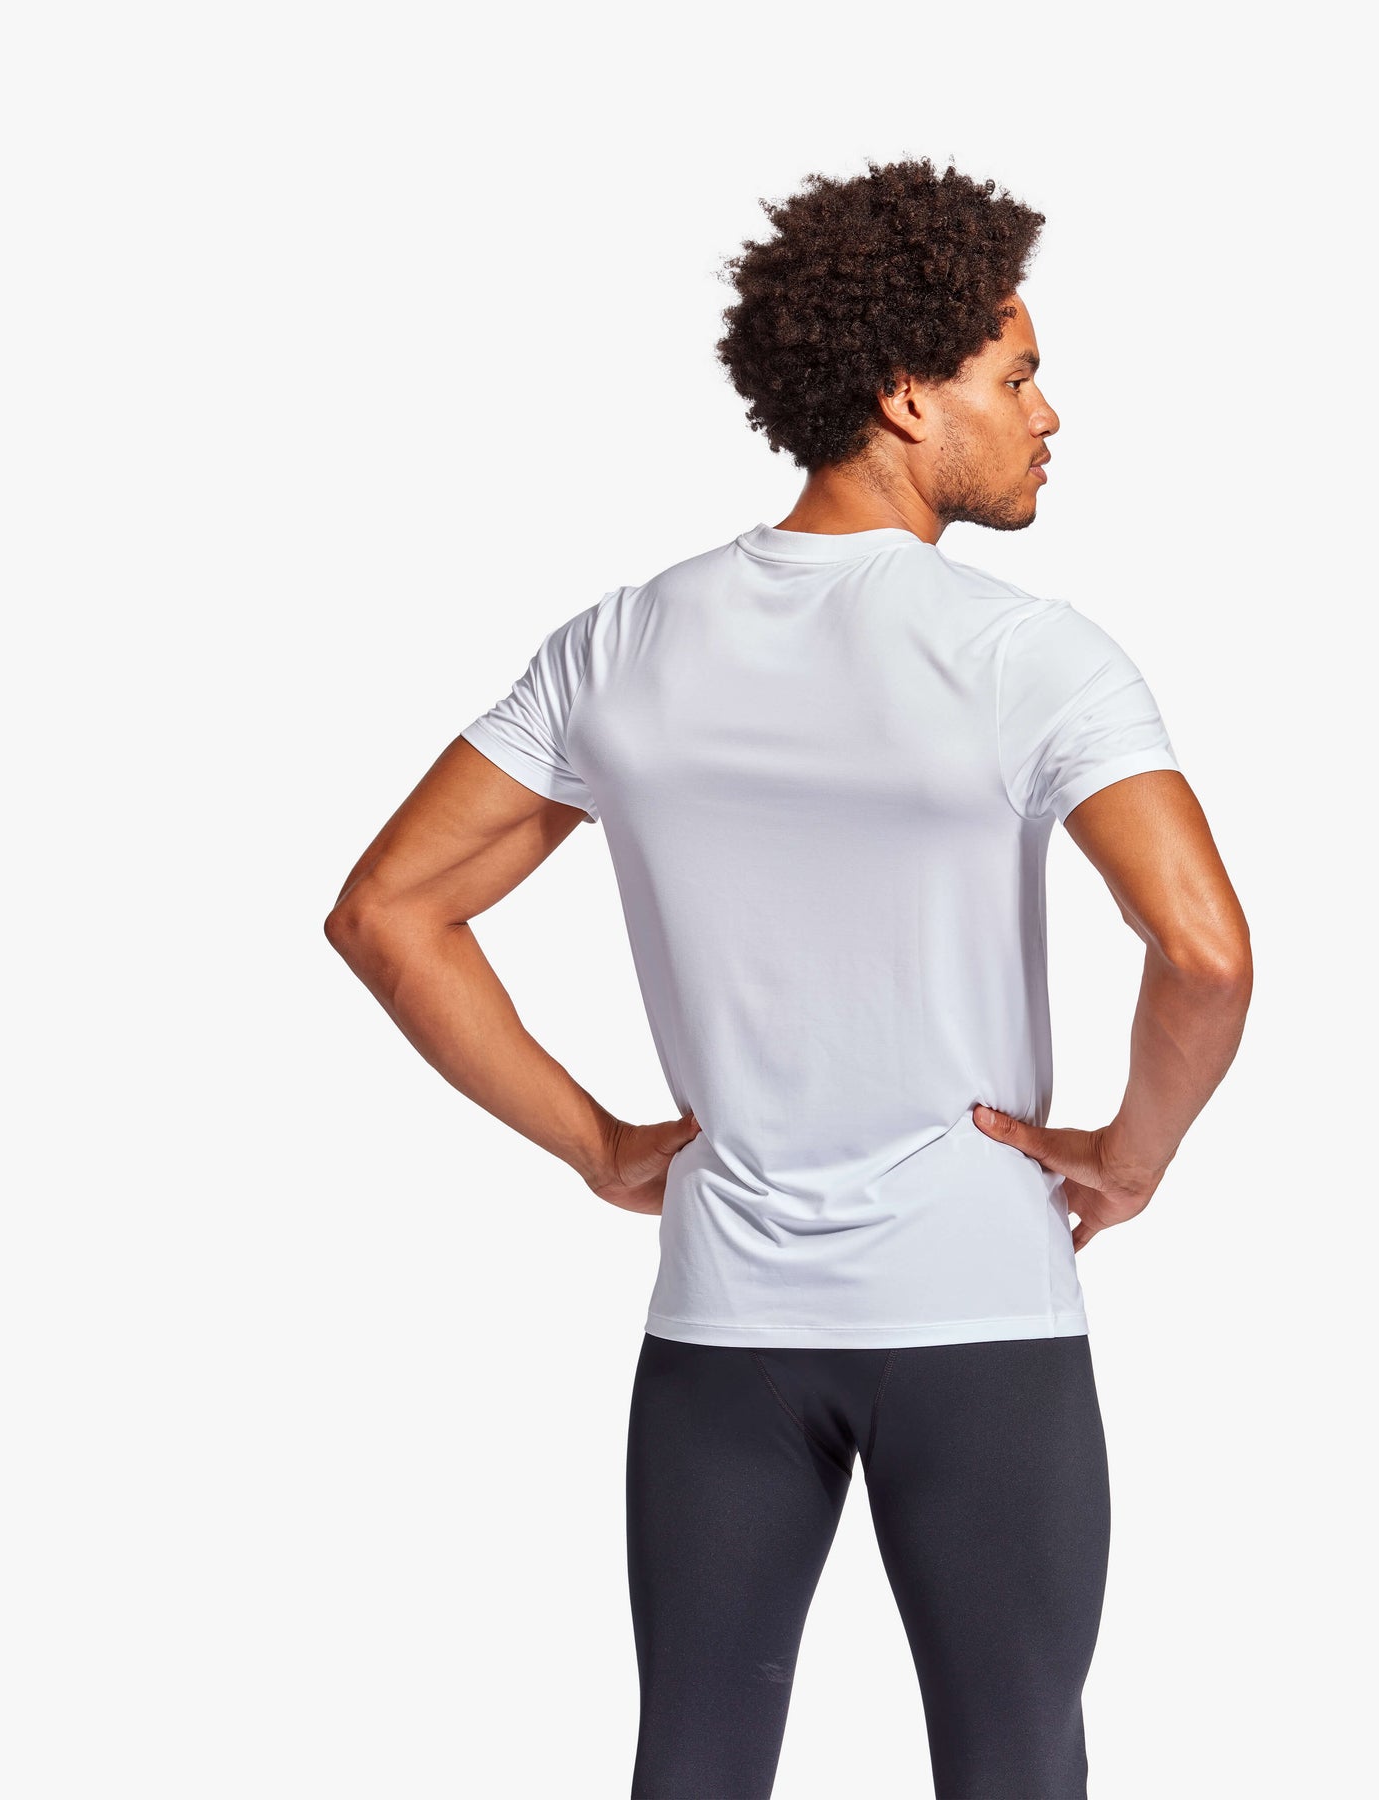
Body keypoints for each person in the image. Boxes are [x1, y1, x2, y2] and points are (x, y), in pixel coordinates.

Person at [325, 156, 1253, 1800]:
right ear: (906, 396)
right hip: (982, 1314)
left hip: (722, 1328)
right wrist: (1133, 1156)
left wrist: (603, 1147)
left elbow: (389, 914)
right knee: (1017, 1772)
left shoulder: (625, 642)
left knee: (693, 1765)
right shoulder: (1027, 654)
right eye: (1018, 377)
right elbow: (1204, 950)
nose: (1049, 415)